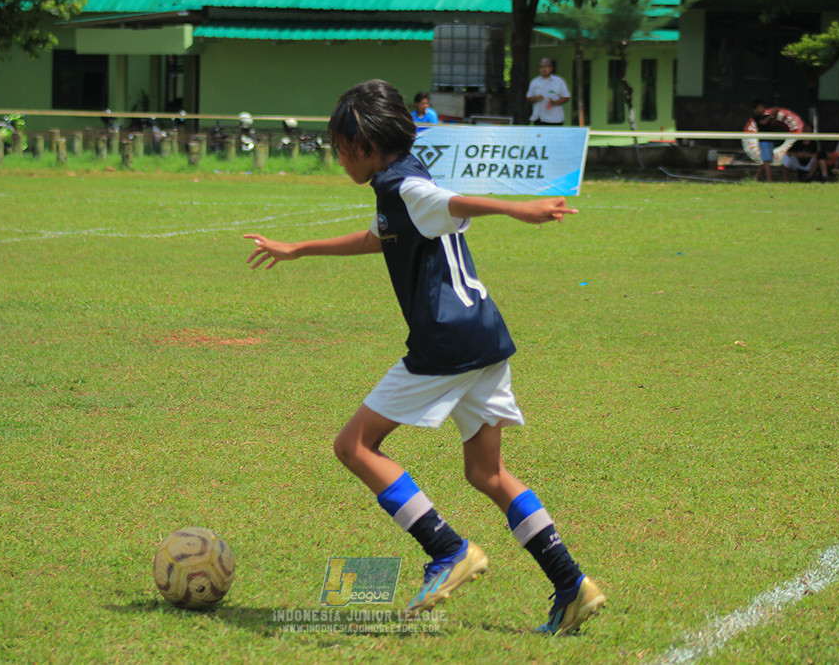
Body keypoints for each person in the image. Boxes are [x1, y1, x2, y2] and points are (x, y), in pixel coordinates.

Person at [244, 79, 605, 636]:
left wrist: (517, 209)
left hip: (446, 341)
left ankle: (448, 550)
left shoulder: (406, 185)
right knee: (488, 473)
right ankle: (571, 583)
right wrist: (297, 248)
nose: (338, 157)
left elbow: (448, 204)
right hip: (484, 337)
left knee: (355, 445)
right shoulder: (402, 182)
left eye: (341, 148)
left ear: (365, 145)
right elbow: (379, 237)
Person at [750, 100, 787, 182]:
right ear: (755, 110)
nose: (762, 109)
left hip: (770, 139)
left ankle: (756, 176)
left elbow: (773, 122)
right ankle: (769, 179)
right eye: (760, 108)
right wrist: (771, 115)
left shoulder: (766, 116)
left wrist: (775, 114)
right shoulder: (757, 117)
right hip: (764, 140)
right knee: (766, 160)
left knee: (768, 160)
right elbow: (763, 123)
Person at [526, 59, 571, 126]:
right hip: (539, 119)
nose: (544, 69)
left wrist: (555, 103)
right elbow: (529, 98)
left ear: (551, 68)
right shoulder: (535, 82)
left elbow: (566, 97)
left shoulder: (559, 81)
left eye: (546, 67)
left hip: (555, 119)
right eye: (541, 67)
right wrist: (536, 98)